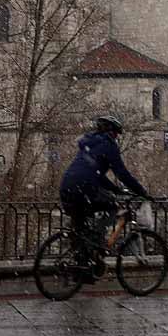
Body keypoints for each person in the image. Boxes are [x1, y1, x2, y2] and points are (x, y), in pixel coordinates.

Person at [59, 115, 151, 282]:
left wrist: (115, 189)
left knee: (80, 227)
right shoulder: (109, 146)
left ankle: (82, 267)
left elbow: (97, 174)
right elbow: (122, 173)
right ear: (111, 132)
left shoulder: (88, 144)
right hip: (84, 188)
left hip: (67, 187)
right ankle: (98, 244)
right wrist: (141, 191)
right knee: (112, 206)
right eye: (116, 134)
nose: (116, 138)